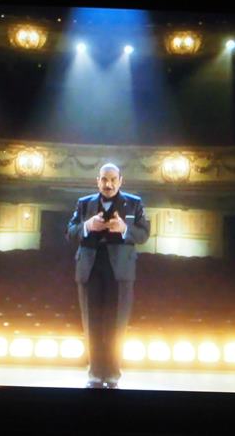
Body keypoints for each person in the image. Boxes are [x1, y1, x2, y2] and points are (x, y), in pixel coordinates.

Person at [66, 163, 150, 388]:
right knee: (91, 322)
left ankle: (112, 374)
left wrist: (124, 229)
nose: (108, 184)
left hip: (120, 270)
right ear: (98, 181)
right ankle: (95, 374)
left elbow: (144, 234)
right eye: (104, 179)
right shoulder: (84, 203)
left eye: (113, 179)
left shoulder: (134, 203)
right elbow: (70, 233)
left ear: (120, 181)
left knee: (117, 323)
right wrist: (87, 226)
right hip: (90, 267)